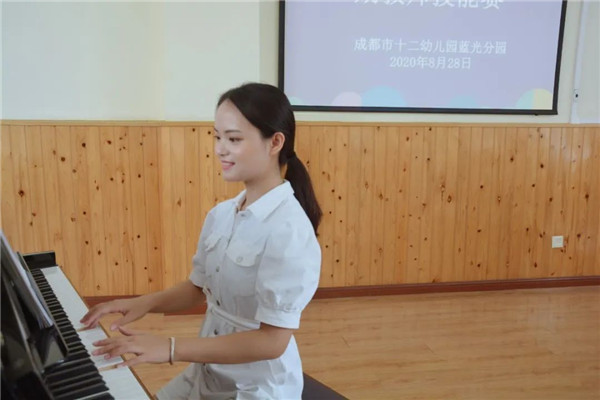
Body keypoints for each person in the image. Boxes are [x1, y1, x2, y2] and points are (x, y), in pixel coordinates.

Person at [81, 82, 323, 399]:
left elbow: (272, 341)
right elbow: (198, 287)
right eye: (217, 136)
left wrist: (170, 348)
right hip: (207, 372)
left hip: (257, 386)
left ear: (275, 142)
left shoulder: (289, 230)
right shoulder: (222, 214)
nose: (220, 149)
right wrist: (143, 303)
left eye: (233, 139)